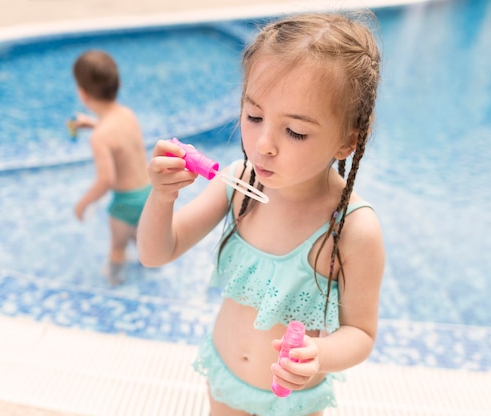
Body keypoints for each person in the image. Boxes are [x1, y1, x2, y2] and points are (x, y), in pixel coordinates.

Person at [138, 12, 385, 416]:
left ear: (347, 141)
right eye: (254, 117)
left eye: (296, 132)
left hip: (294, 399)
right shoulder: (237, 186)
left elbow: (360, 332)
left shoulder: (353, 228)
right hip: (225, 379)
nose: (264, 144)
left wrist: (318, 354)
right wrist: (161, 198)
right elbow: (155, 253)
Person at [71, 50, 151, 285]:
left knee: (117, 247)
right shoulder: (127, 114)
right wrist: (94, 124)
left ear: (82, 94)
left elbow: (106, 180)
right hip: (147, 192)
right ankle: (151, 265)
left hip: (125, 202)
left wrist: (83, 203)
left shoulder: (100, 138)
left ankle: (115, 284)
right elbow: (121, 141)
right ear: (118, 84)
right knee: (141, 236)